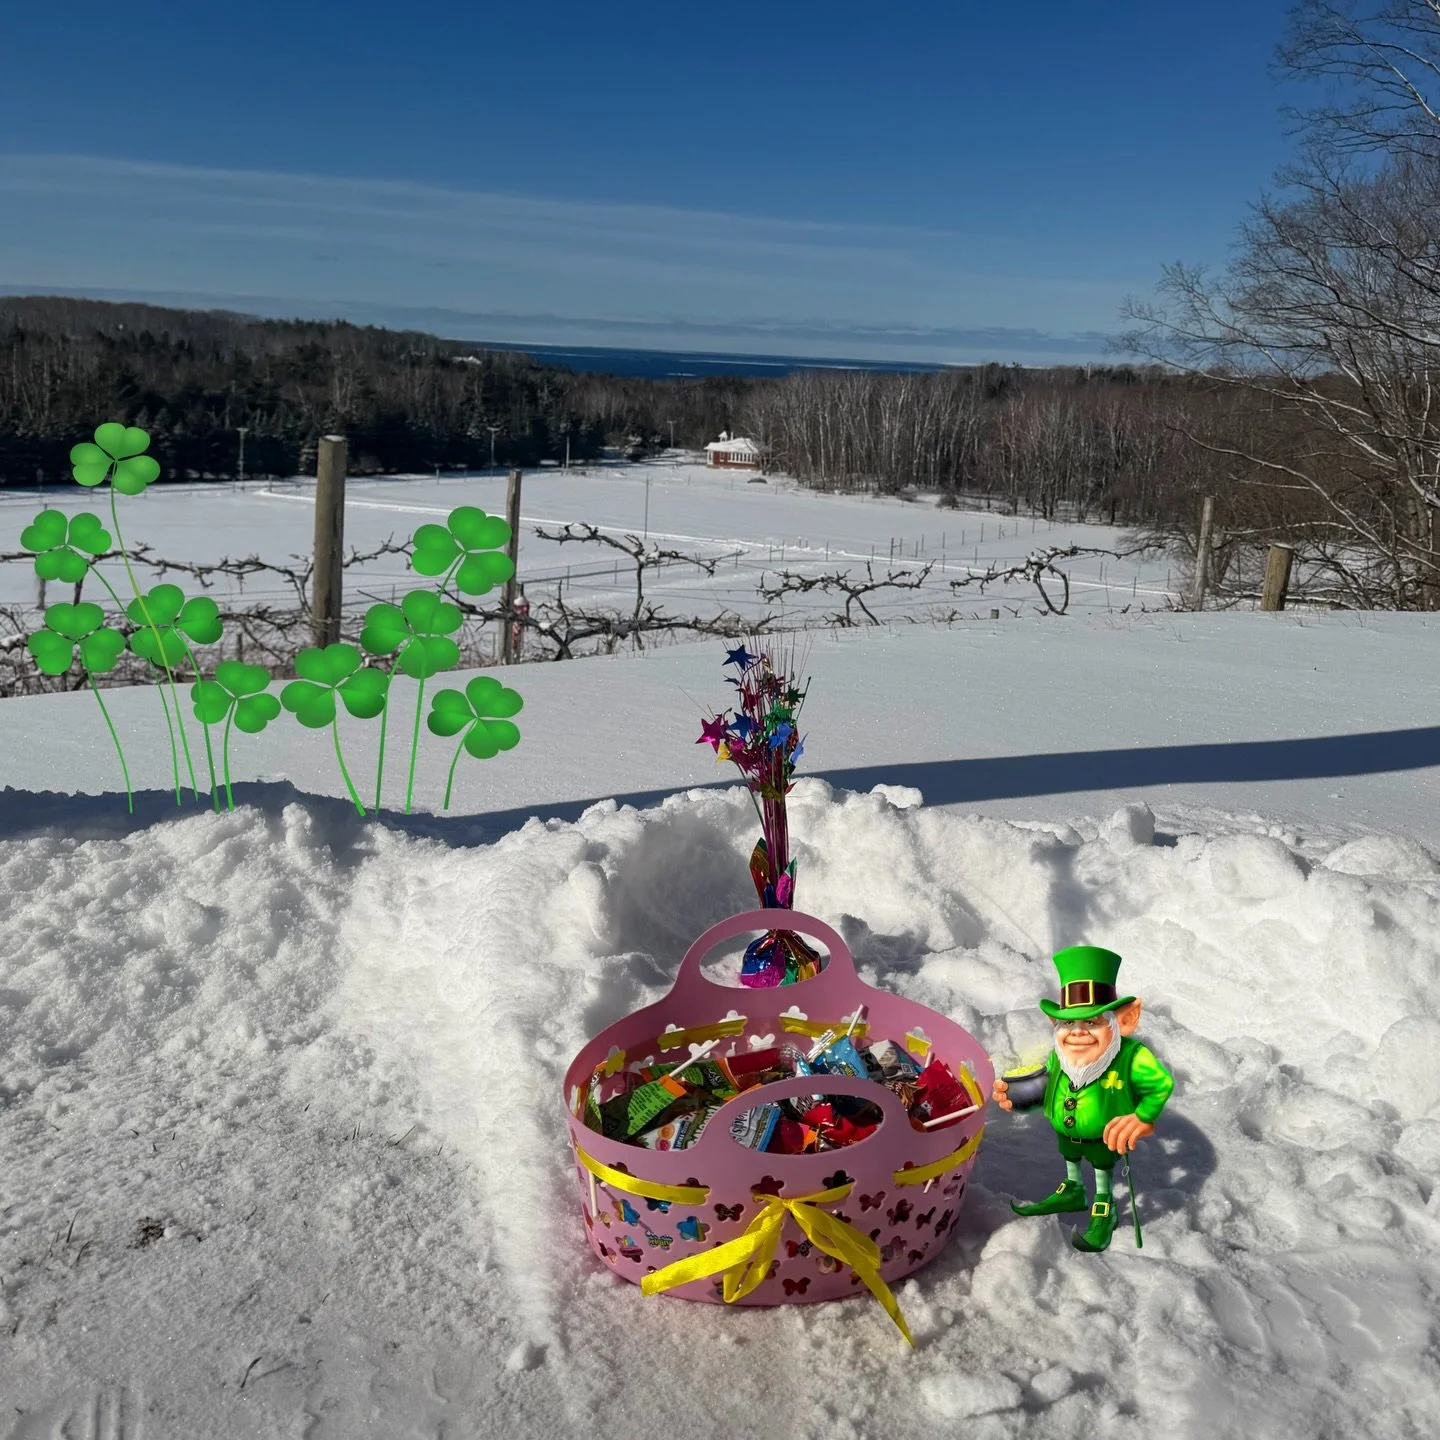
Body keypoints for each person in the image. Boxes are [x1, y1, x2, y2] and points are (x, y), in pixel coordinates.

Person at [992, 945, 1174, 1253]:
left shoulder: (1130, 1057)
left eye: (1091, 1022)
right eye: (1067, 1023)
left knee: (1102, 1167)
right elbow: (1048, 1086)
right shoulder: (1060, 1058)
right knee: (1071, 1156)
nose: (1077, 1033)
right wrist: (1022, 1096)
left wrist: (1143, 1116)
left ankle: (1104, 1208)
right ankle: (1073, 1189)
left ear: (1123, 1022)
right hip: (1068, 1134)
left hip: (1105, 1134)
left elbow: (1161, 1084)